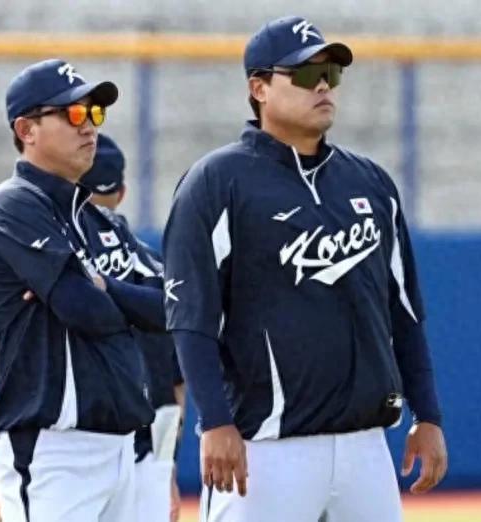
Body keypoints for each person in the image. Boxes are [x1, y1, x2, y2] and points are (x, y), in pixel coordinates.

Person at [162, 16, 448, 522]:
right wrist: (214, 422)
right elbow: (191, 318)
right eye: (303, 72)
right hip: (267, 450)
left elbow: (403, 313)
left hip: (365, 448)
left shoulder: (371, 183)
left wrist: (428, 414)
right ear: (259, 88)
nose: (322, 84)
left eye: (331, 73)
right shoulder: (217, 181)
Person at [0, 59, 165, 522]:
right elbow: (85, 310)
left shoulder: (98, 220)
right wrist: (111, 297)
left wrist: (105, 287)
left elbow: (174, 307)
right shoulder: (12, 206)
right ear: (27, 128)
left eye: (95, 114)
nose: (90, 127)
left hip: (125, 451)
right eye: (74, 114)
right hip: (53, 450)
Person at [81, 133, 185, 522]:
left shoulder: (55, 257)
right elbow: (175, 381)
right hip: (147, 447)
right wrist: (166, 465)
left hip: (78, 444)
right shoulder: (155, 265)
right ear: (122, 192)